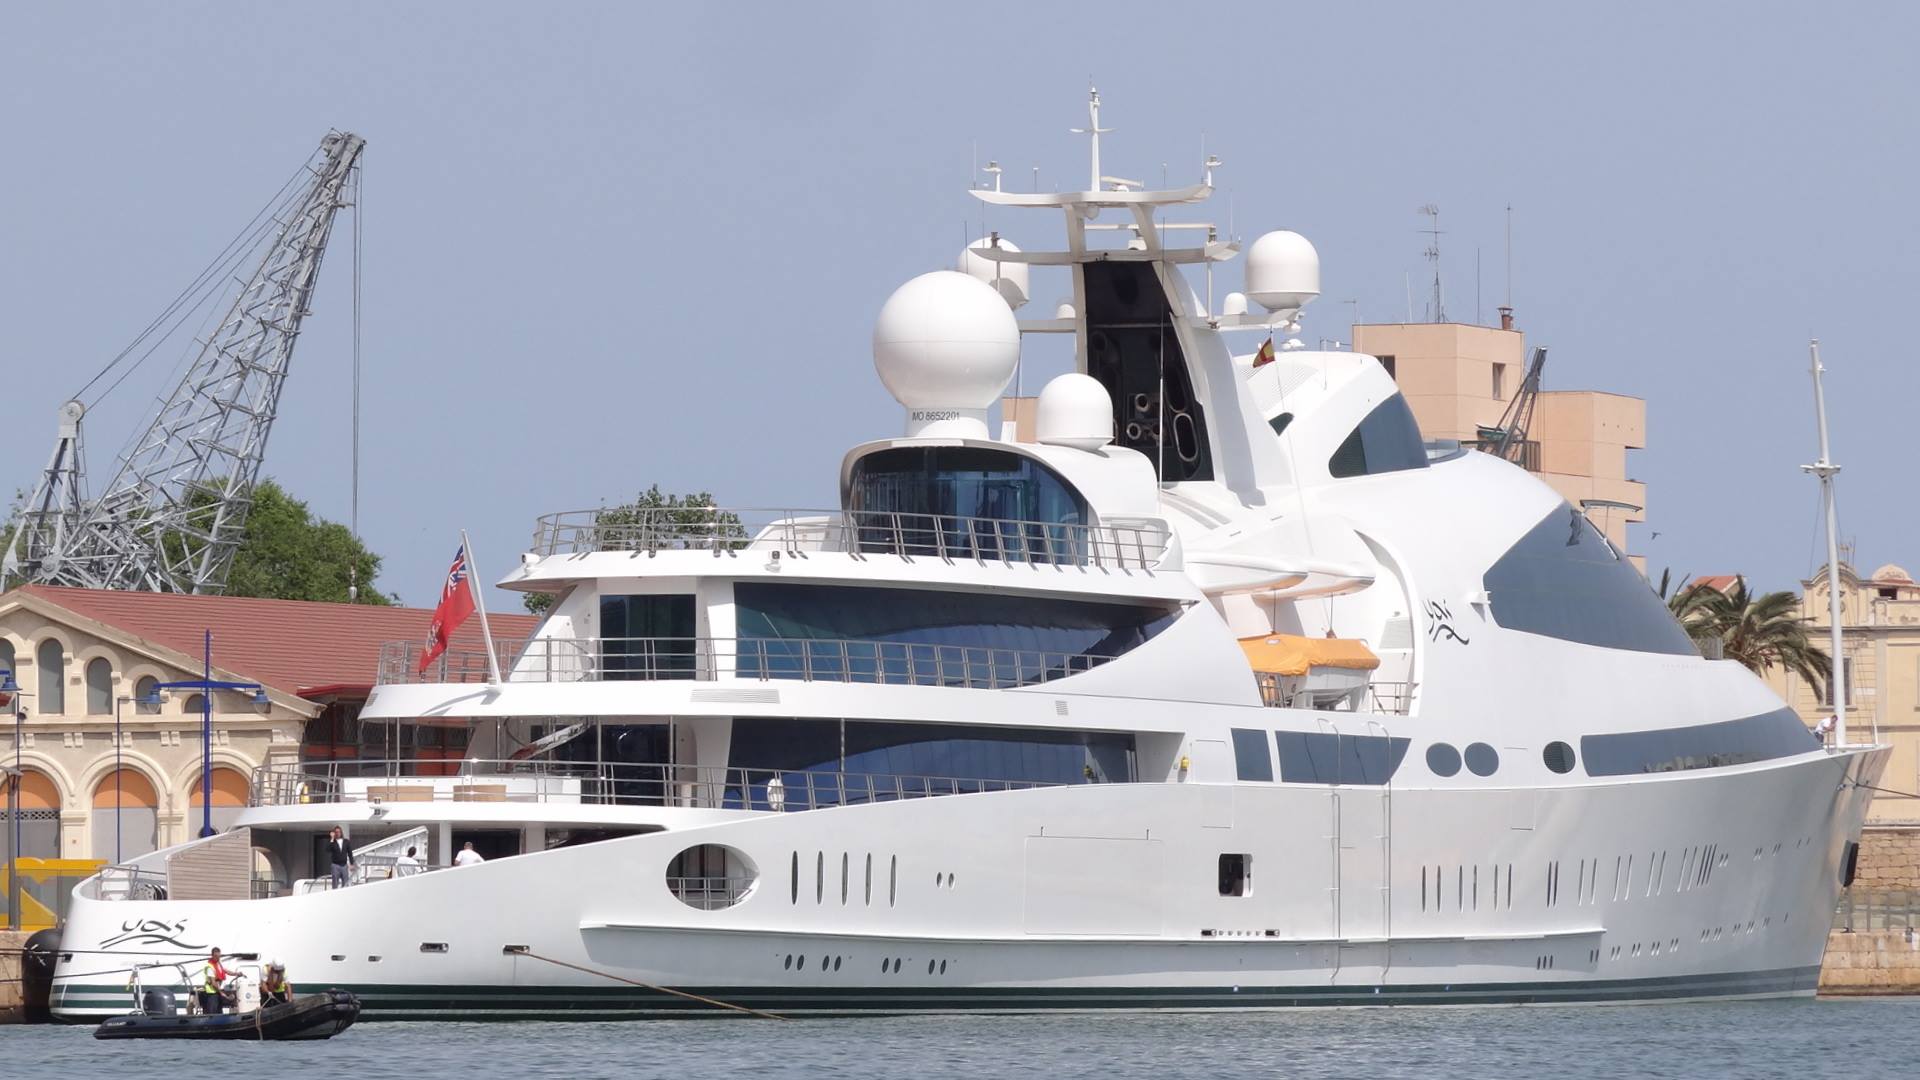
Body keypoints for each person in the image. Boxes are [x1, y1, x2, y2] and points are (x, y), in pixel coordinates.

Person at [197, 947, 234, 1015]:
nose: (218, 958)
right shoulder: (210, 967)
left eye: (219, 956)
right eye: (216, 956)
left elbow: (225, 970)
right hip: (212, 994)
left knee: (219, 1012)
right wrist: (221, 993)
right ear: (212, 955)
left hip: (217, 992)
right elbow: (213, 983)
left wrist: (236, 973)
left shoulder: (218, 964)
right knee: (212, 1013)